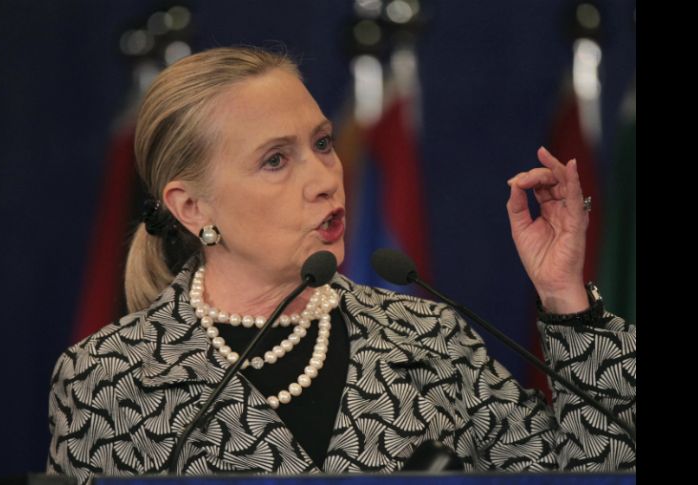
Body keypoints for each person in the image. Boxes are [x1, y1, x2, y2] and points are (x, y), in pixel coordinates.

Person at [46, 46, 635, 484]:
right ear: (192, 206)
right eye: (276, 160)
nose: (325, 179)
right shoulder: (110, 377)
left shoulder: (428, 339)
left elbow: (599, 470)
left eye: (322, 143)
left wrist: (564, 296)